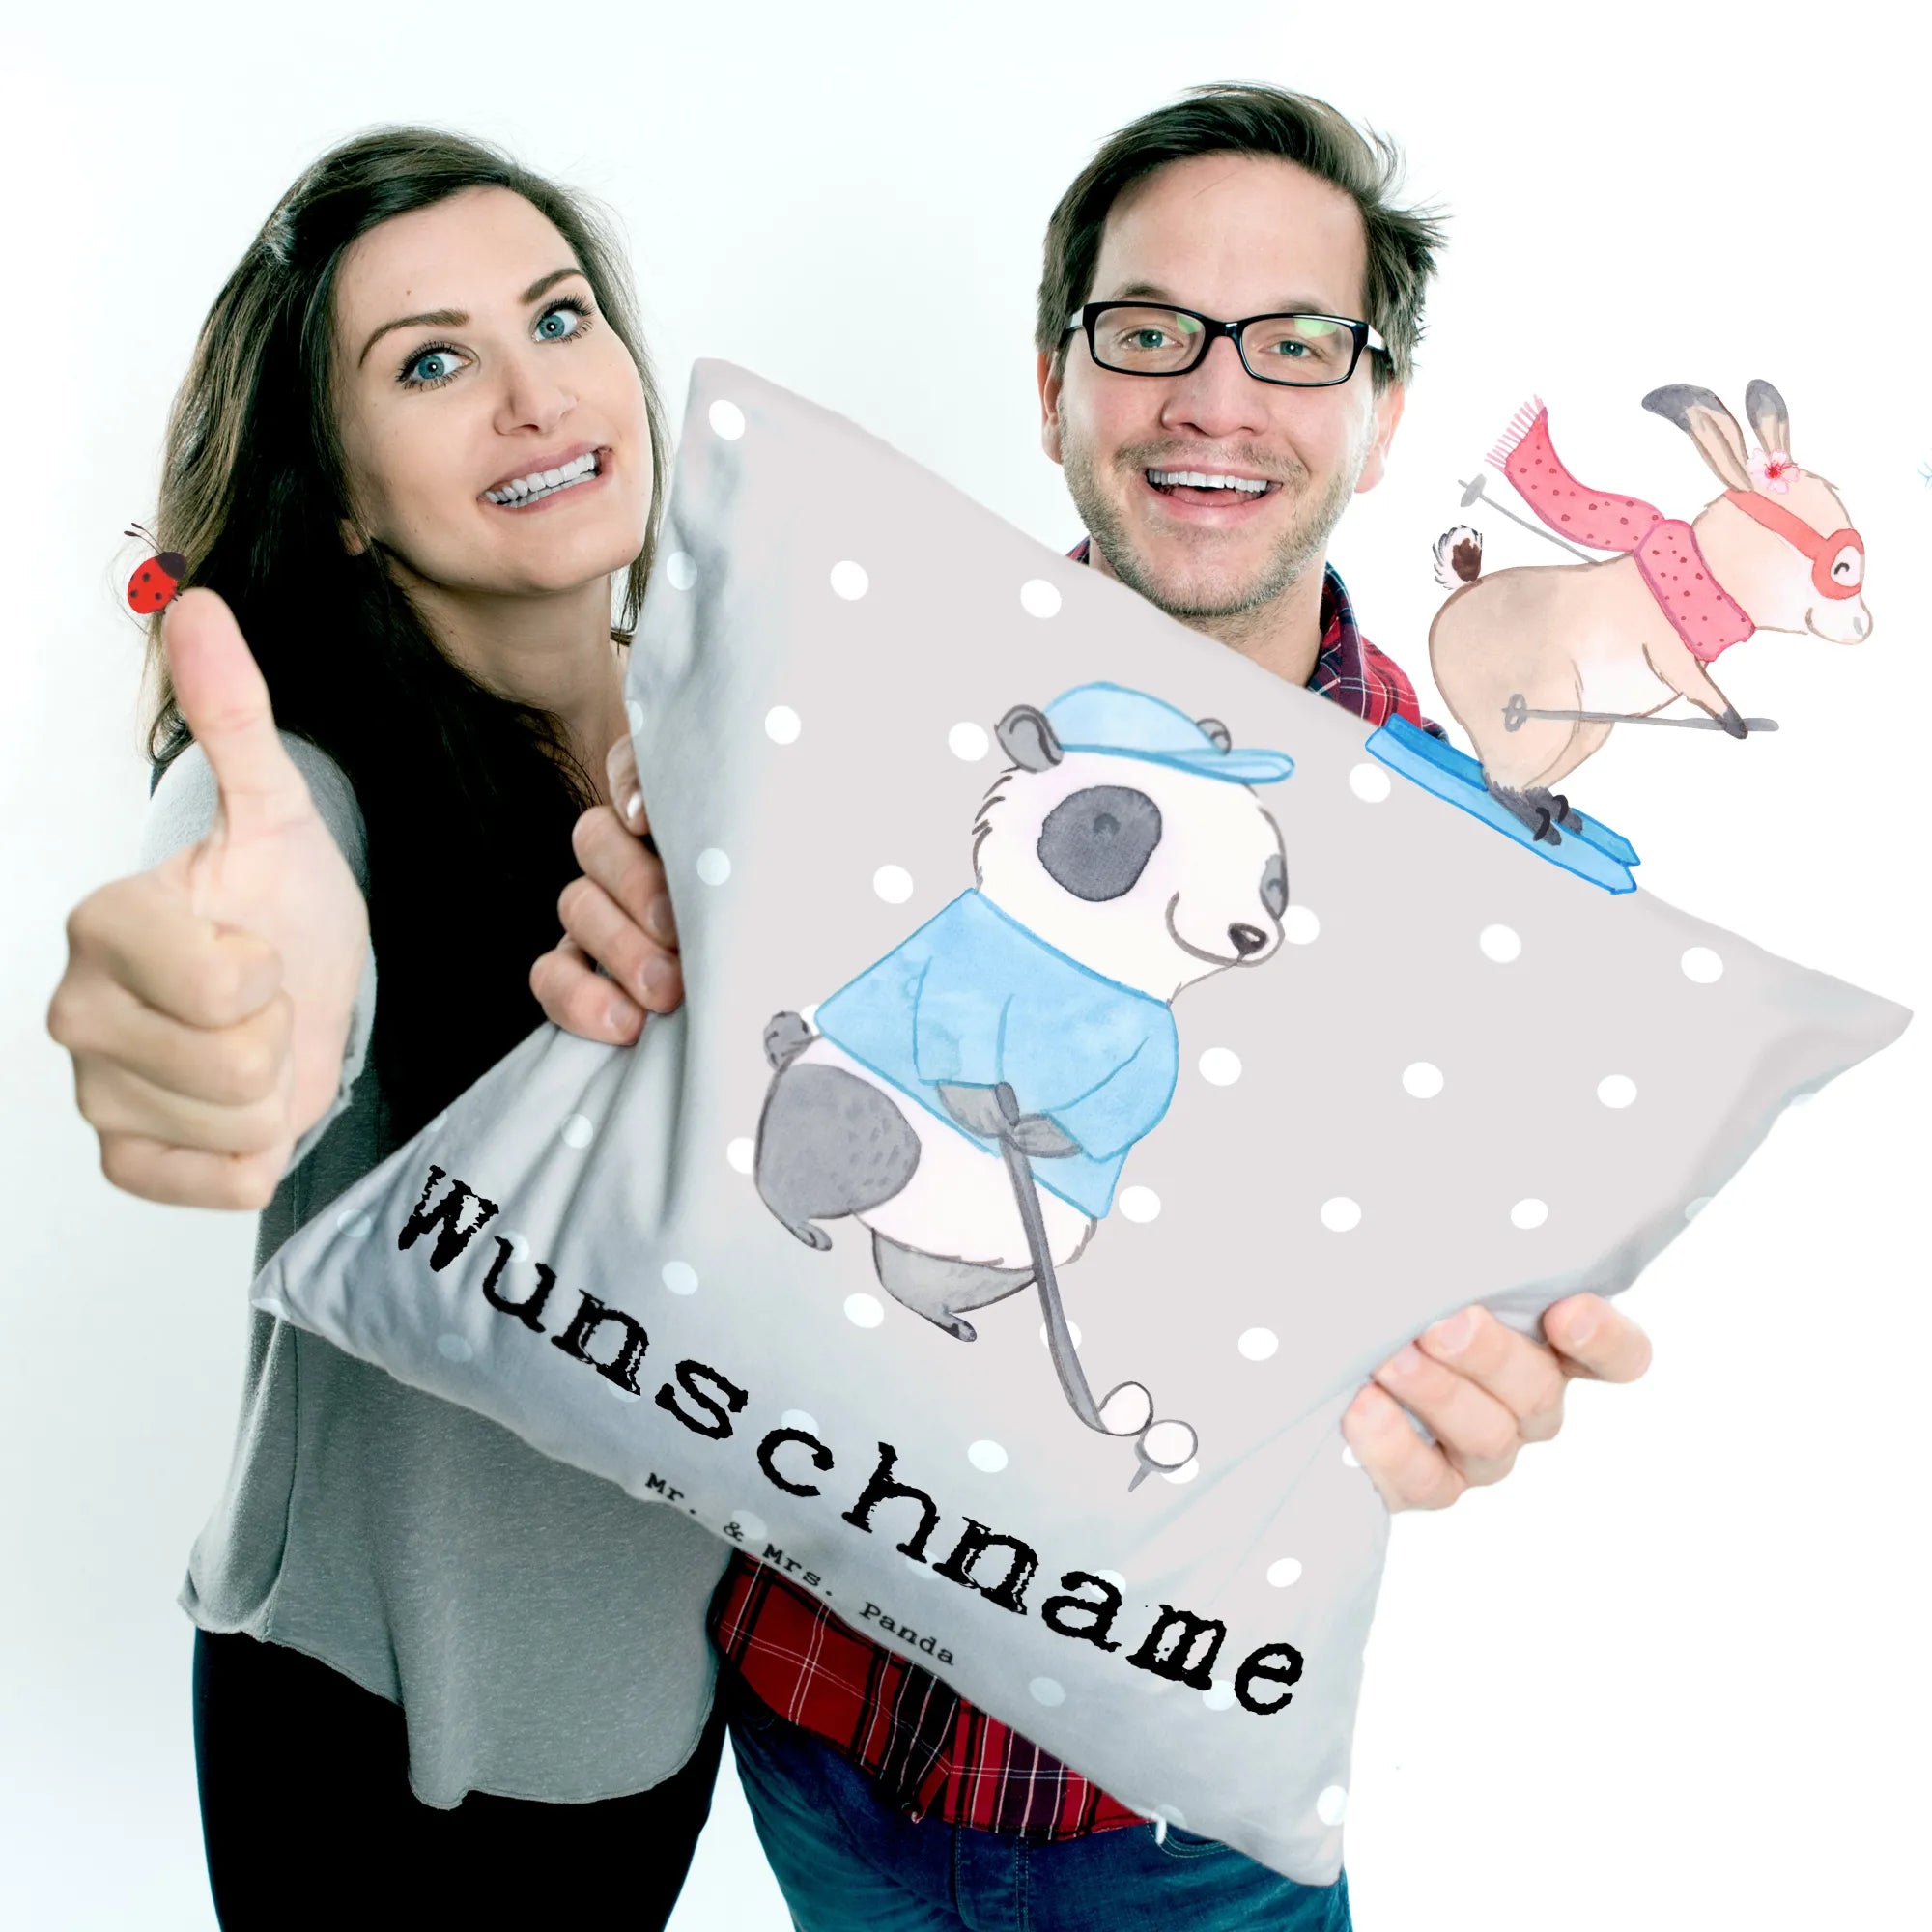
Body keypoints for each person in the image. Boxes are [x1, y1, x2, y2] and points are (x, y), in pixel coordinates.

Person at [537, 84, 1655, 1928]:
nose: (1216, 398)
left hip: (1180, 1823)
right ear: (1054, 383)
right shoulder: (839, 709)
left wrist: (1479, 1378)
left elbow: (1456, 1313)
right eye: (1150, 333)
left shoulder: (1481, 890)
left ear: (1380, 419)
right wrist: (627, 978)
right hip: (805, 1737)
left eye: (1297, 343)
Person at [44, 130, 726, 1926]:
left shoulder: (737, 742)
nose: (533, 395)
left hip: (663, 1707)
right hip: (378, 1736)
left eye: (558, 318)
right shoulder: (307, 783)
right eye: (430, 363)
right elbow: (253, 903)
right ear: (342, 495)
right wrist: (223, 1002)